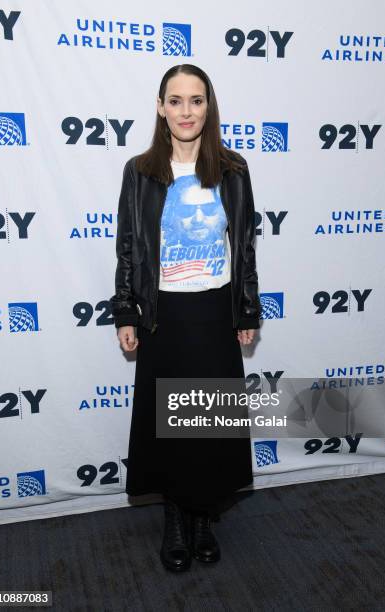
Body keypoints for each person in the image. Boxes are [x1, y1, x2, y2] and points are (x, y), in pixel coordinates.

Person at [110, 63, 261, 572]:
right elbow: (129, 246)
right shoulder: (141, 170)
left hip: (214, 312)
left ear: (208, 106)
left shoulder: (233, 169)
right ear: (160, 107)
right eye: (175, 101)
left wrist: (246, 306)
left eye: (196, 101)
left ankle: (202, 519)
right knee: (170, 426)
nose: (186, 111)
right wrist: (126, 308)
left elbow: (243, 247)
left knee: (209, 425)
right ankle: (176, 517)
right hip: (163, 314)